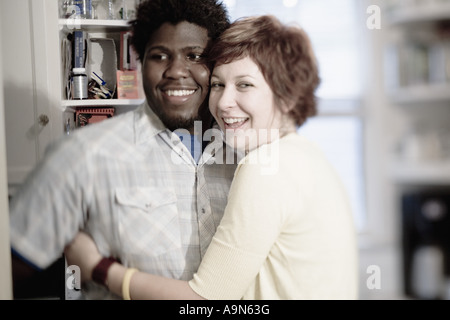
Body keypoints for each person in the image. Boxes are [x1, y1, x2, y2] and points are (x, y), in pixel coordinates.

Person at [65, 15, 359, 300]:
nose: (224, 103)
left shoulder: (263, 168)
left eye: (244, 85)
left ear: (287, 96)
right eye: (218, 84)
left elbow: (206, 300)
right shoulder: (311, 156)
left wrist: (99, 268)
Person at [9, 0, 235, 299]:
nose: (177, 71)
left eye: (195, 55)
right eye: (160, 56)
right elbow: (13, 263)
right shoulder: (84, 155)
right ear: (141, 62)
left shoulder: (246, 154)